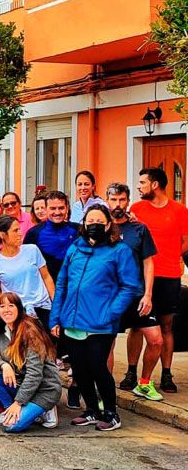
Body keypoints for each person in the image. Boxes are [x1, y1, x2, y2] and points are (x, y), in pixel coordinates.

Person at [51, 205, 142, 431]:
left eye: (99, 221)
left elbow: (130, 286)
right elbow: (62, 283)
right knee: (80, 370)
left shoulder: (119, 251)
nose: (94, 225)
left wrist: (110, 313)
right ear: (83, 223)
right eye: (90, 220)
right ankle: (91, 409)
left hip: (100, 324)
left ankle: (111, 413)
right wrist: (56, 317)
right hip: (72, 321)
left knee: (98, 367)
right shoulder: (75, 249)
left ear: (108, 225)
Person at [129, 166, 188, 395]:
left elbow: (185, 241)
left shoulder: (179, 210)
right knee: (136, 325)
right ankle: (131, 372)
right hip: (142, 278)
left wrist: (170, 254)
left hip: (169, 275)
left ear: (155, 185)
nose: (139, 186)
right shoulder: (136, 209)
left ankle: (166, 373)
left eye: (142, 182)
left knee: (166, 326)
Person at [106, 183, 162, 396]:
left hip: (137, 295)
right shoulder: (101, 227)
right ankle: (106, 390)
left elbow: (148, 262)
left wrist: (148, 294)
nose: (118, 204)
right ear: (107, 200)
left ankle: (145, 383)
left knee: (156, 339)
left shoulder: (139, 228)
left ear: (128, 201)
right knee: (107, 345)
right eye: (114, 200)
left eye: (122, 200)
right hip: (110, 297)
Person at [0, 292, 63, 433]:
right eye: (2, 306)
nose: (6, 310)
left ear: (19, 308)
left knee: (11, 426)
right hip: (22, 383)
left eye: (11, 305)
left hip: (44, 389)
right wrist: (4, 365)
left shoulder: (30, 333)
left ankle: (46, 409)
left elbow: (35, 374)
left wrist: (18, 402)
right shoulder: (0, 332)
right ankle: (9, 409)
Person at [0, 215, 54, 323]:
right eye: (15, 230)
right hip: (16, 313)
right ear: (3, 235)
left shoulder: (32, 250)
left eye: (19, 229)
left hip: (43, 308)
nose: (20, 233)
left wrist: (55, 305)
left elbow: (46, 277)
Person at [22, 190, 78, 285]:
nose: (57, 212)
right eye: (53, 208)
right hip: (46, 289)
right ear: (46, 209)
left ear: (67, 208)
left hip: (74, 286)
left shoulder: (78, 230)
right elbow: (26, 264)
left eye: (61, 208)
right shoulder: (33, 233)